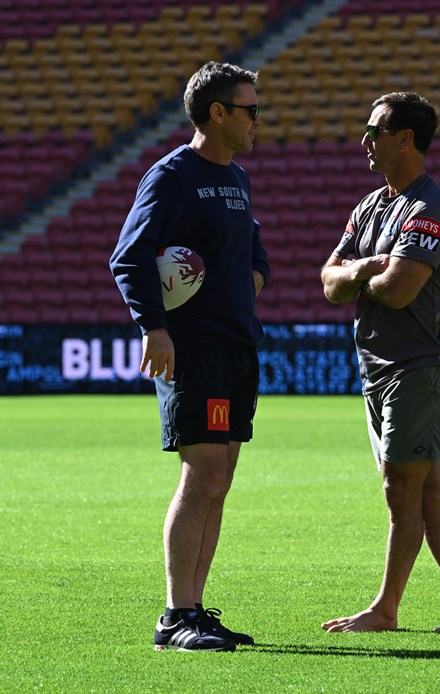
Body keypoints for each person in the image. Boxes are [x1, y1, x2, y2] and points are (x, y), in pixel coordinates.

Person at [110, 61, 269, 652]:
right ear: (218, 112)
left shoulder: (240, 179)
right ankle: (175, 616)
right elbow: (129, 256)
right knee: (201, 472)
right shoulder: (172, 175)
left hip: (235, 346)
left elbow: (255, 251)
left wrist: (247, 280)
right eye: (250, 108)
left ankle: (197, 610)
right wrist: (155, 327)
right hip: (193, 350)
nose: (258, 119)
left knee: (221, 477)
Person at [320, 92, 440, 634]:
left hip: (420, 366)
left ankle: (386, 610)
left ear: (404, 139)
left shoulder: (427, 208)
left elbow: (400, 289)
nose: (364, 140)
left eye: (374, 130)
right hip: (380, 366)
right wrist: (367, 266)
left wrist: (360, 277)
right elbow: (328, 282)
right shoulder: (370, 206)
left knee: (401, 488)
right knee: (428, 486)